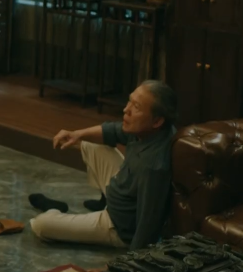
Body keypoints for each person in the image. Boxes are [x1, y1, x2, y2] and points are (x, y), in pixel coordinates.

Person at [27, 80, 176, 250]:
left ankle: (53, 210)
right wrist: (76, 134)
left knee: (41, 225)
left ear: (157, 121)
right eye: (130, 101)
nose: (126, 109)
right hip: (122, 196)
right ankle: (105, 200)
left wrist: (132, 259)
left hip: (118, 226)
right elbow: (113, 131)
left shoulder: (153, 166)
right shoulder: (149, 130)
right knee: (91, 142)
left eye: (136, 107)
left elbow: (148, 224)